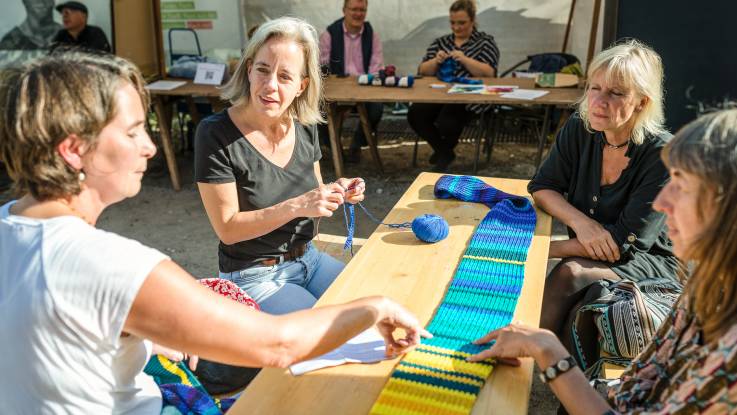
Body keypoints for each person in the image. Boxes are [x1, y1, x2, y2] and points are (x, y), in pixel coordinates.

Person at [0, 51, 428, 413]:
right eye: (132, 132)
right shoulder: (112, 266)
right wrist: (375, 306)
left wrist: (148, 343)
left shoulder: (11, 224)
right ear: (73, 150)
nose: (149, 146)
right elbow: (279, 346)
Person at [469, 109, 737, 414]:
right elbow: (638, 384)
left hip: (643, 263)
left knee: (571, 274)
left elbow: (622, 244)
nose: (662, 203)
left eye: (682, 185)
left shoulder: (729, 352)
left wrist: (551, 355)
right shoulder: (705, 292)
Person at [195, 17, 365, 316]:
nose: (270, 85)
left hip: (310, 259)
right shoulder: (215, 133)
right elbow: (228, 229)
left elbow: (313, 196)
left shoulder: (304, 126)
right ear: (248, 70)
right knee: (325, 332)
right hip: (253, 276)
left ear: (302, 86)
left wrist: (334, 192)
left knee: (371, 305)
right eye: (262, 69)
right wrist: (299, 205)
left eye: (285, 76)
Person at [528, 40, 679, 358]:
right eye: (595, 88)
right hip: (595, 252)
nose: (599, 101)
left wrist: (541, 250)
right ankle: (535, 363)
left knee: (571, 274)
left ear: (641, 102)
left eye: (616, 93)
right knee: (576, 283)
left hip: (653, 261)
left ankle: (524, 357)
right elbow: (543, 186)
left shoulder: (661, 154)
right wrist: (581, 222)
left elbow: (623, 243)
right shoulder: (580, 129)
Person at [408, 0, 499, 171]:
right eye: (453, 23)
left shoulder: (485, 42)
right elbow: (422, 70)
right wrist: (436, 61)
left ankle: (443, 154)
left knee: (447, 121)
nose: (456, 27)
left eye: (462, 23)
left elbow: (490, 73)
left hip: (470, 97)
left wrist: (464, 59)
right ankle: (444, 151)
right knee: (415, 114)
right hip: (438, 94)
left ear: (472, 21)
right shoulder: (441, 42)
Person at [318, 0, 384, 163]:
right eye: (354, 9)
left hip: (364, 88)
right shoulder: (330, 34)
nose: (358, 13)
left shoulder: (371, 34)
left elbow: (376, 67)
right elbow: (322, 67)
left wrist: (363, 89)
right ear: (344, 10)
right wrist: (342, 98)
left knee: (376, 108)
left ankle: (356, 145)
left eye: (362, 10)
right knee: (322, 109)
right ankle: (335, 149)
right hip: (338, 89)